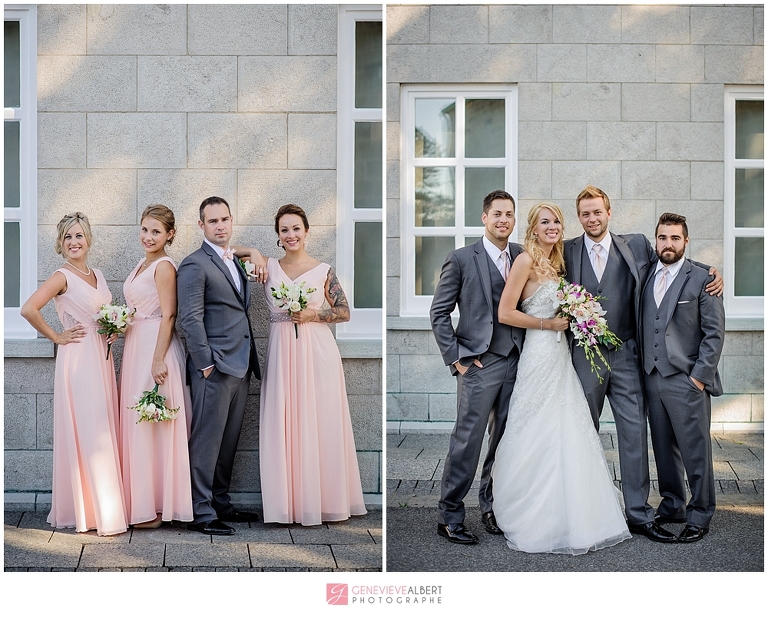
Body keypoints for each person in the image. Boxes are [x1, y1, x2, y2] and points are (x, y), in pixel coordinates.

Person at [563, 185, 722, 543]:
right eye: (585, 213)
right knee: (580, 433)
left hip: (628, 357)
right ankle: (580, 509)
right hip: (584, 355)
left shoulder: (635, 245)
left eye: (597, 211)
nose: (592, 218)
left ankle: (638, 513)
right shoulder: (566, 250)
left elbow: (675, 264)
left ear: (608, 212)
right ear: (579, 217)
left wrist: (711, 273)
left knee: (634, 435)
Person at [492, 202, 631, 554]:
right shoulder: (525, 261)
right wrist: (548, 323)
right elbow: (506, 312)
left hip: (561, 356)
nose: (552, 226)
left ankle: (574, 511)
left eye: (556, 221)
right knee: (535, 424)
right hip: (539, 354)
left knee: (567, 426)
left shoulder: (558, 263)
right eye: (544, 222)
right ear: (533, 228)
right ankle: (532, 510)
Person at [259, 203, 366, 525]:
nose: (291, 235)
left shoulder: (323, 270)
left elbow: (345, 311)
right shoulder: (267, 267)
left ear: (306, 232)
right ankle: (287, 503)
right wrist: (250, 250)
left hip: (317, 353)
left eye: (295, 228)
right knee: (284, 419)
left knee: (319, 420)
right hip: (282, 352)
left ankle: (323, 501)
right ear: (278, 236)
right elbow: (227, 251)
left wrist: (313, 314)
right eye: (284, 230)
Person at [20, 212, 127, 536]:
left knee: (102, 428)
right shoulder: (61, 276)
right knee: (90, 428)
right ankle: (92, 511)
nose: (74, 242)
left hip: (101, 356)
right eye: (68, 237)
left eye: (79, 236)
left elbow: (101, 313)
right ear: (61, 243)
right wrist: (56, 336)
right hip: (79, 358)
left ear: (88, 239)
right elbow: (28, 309)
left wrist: (113, 330)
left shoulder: (98, 274)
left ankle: (103, 507)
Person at [430, 190, 526, 544]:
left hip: (516, 362)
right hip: (479, 365)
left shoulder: (521, 255)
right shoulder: (460, 259)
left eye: (509, 214)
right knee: (467, 440)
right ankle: (450, 515)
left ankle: (491, 507)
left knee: (503, 440)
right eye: (497, 214)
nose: (504, 220)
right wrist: (458, 358)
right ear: (484, 218)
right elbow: (438, 313)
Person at [176, 196, 262, 535]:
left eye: (225, 219)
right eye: (213, 221)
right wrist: (206, 365)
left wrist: (251, 250)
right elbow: (190, 318)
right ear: (201, 226)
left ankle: (220, 502)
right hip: (214, 368)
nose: (221, 226)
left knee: (228, 442)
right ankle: (201, 511)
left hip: (241, 366)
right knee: (205, 441)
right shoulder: (194, 264)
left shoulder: (232, 259)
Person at [640, 213, 725, 543]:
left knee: (695, 450)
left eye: (675, 238)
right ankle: (673, 503)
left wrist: (699, 379)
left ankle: (700, 512)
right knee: (663, 448)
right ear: (656, 240)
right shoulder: (647, 273)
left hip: (686, 379)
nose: (668, 244)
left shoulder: (704, 277)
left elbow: (714, 334)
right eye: (663, 238)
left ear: (686, 242)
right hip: (652, 377)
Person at [119, 204, 193, 528]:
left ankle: (158, 508)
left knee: (154, 423)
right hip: (136, 345)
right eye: (145, 229)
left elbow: (169, 315)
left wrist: (158, 358)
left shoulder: (164, 267)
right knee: (141, 424)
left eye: (156, 231)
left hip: (155, 349)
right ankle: (144, 502)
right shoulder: (142, 262)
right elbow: (137, 308)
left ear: (170, 235)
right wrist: (117, 326)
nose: (148, 237)